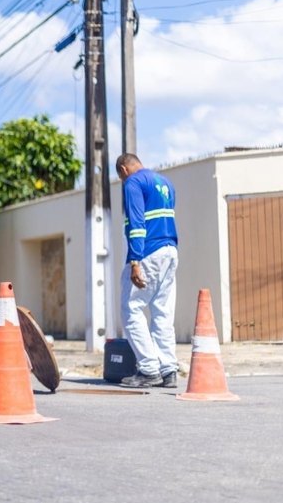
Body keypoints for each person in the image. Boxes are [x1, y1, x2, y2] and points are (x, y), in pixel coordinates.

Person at [116, 153, 180, 389]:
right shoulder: (166, 183)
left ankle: (149, 370)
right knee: (162, 312)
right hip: (170, 251)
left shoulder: (133, 182)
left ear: (124, 170)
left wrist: (135, 261)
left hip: (149, 252)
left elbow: (136, 223)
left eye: (121, 177)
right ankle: (169, 370)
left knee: (131, 308)